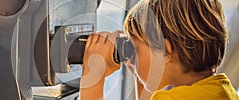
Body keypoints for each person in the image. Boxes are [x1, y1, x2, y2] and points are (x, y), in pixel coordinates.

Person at [79, 0, 239, 100]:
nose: (131, 57)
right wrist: (138, 72)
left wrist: (93, 78)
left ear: (165, 52)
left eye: (135, 50)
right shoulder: (222, 90)